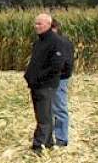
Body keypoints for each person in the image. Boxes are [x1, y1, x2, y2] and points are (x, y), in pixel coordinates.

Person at [23, 13, 65, 153]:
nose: (36, 26)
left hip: (46, 85)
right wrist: (29, 76)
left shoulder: (55, 42)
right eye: (35, 24)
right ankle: (48, 143)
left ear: (48, 24)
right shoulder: (39, 41)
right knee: (42, 115)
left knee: (44, 116)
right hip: (36, 84)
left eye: (39, 24)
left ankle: (38, 145)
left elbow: (57, 66)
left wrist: (40, 78)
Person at [51, 19, 74, 147]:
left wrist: (60, 75)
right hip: (49, 79)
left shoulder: (62, 42)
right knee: (49, 109)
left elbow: (67, 63)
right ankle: (52, 136)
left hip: (59, 79)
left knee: (59, 108)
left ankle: (61, 139)